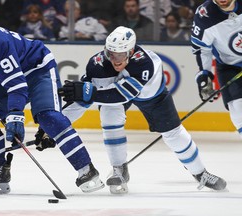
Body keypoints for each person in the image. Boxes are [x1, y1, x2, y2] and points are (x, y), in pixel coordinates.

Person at [58, 26, 227, 193]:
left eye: (121, 54)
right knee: (109, 116)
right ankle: (119, 169)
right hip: (117, 92)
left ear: (131, 52)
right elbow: (81, 101)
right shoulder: (97, 65)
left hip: (152, 96)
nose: (116, 59)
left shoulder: (144, 63)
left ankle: (201, 173)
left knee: (174, 133)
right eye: (111, 54)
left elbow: (119, 96)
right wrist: (57, 125)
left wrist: (88, 94)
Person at [0, 8, 104, 194]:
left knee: (49, 117)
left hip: (38, 69)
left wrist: (15, 116)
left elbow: (17, 86)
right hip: (10, 78)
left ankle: (86, 170)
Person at [191, 2, 242, 137]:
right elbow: (202, 49)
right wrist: (204, 75)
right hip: (230, 67)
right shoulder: (204, 15)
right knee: (239, 111)